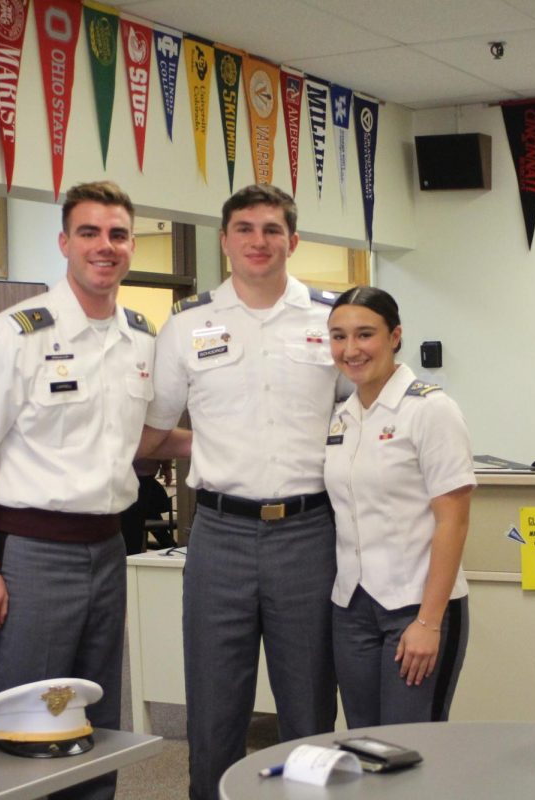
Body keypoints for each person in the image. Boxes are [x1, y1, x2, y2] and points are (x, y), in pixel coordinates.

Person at [0, 181, 186, 800]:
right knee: (25, 719)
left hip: (109, 549)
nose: (104, 247)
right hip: (32, 552)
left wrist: (234, 447)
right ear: (64, 243)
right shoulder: (16, 335)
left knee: (92, 716)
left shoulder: (141, 339)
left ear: (131, 246)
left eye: (117, 234)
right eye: (89, 233)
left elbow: (145, 443)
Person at [141, 184, 341, 800]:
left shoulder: (331, 320)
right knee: (213, 704)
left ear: (293, 241)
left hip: (309, 532)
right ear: (225, 240)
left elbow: (363, 418)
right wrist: (210, 448)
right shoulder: (187, 325)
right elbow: (150, 433)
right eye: (245, 228)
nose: (259, 241)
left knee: (308, 705)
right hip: (220, 535)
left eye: (272, 229)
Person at [324, 286, 475, 728]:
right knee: (364, 743)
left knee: (413, 747)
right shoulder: (341, 416)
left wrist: (429, 622)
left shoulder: (431, 410)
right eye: (338, 337)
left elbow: (454, 522)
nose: (350, 350)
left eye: (364, 334)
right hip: (351, 607)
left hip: (417, 605)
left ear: (395, 337)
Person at [119, 458, 175, 554]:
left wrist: (166, 466)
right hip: (141, 473)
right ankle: (168, 544)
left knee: (131, 528)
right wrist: (166, 467)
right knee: (134, 526)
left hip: (132, 473)